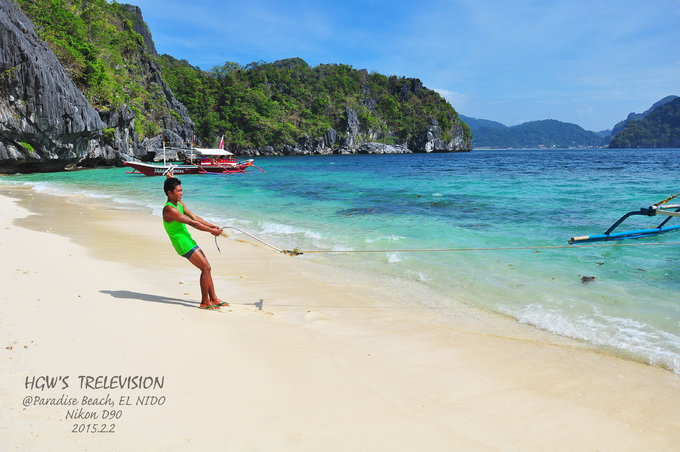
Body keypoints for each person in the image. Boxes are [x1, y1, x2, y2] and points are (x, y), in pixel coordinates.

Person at [162, 175, 228, 310]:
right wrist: (211, 231)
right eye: (178, 191)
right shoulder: (169, 209)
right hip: (182, 243)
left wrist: (212, 226)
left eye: (181, 190)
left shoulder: (179, 204)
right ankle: (205, 302)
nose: (181, 193)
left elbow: (195, 217)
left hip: (188, 239)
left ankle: (213, 299)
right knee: (205, 268)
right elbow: (192, 223)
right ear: (170, 193)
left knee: (207, 268)